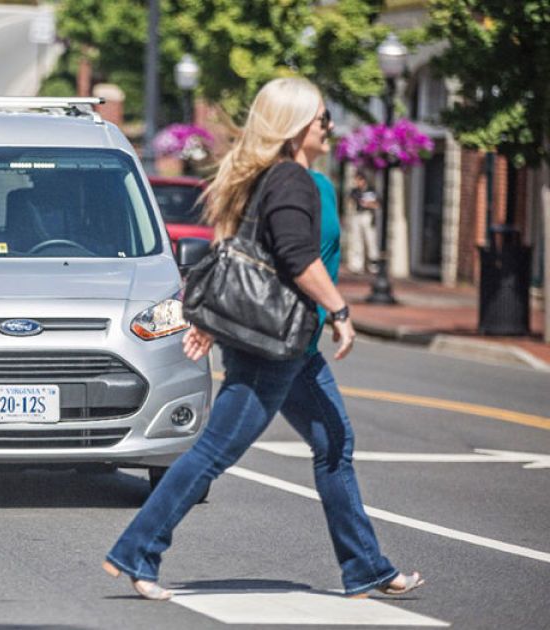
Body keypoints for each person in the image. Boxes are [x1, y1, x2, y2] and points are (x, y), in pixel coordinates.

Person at [102, 77, 424, 601]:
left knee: (335, 445)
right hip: (272, 345)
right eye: (322, 119)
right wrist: (340, 310)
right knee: (212, 453)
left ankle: (366, 567)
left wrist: (211, 322)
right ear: (298, 127)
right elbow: (297, 258)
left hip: (289, 345)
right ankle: (137, 552)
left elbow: (242, 255)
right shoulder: (292, 179)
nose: (329, 127)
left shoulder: (268, 178)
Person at [345, 171, 380, 273]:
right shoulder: (354, 191)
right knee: (357, 240)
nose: (356, 182)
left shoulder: (371, 190)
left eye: (358, 180)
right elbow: (351, 202)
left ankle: (373, 265)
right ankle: (357, 265)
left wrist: (369, 204)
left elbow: (377, 204)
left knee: (370, 239)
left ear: (363, 180)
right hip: (357, 215)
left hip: (367, 216)